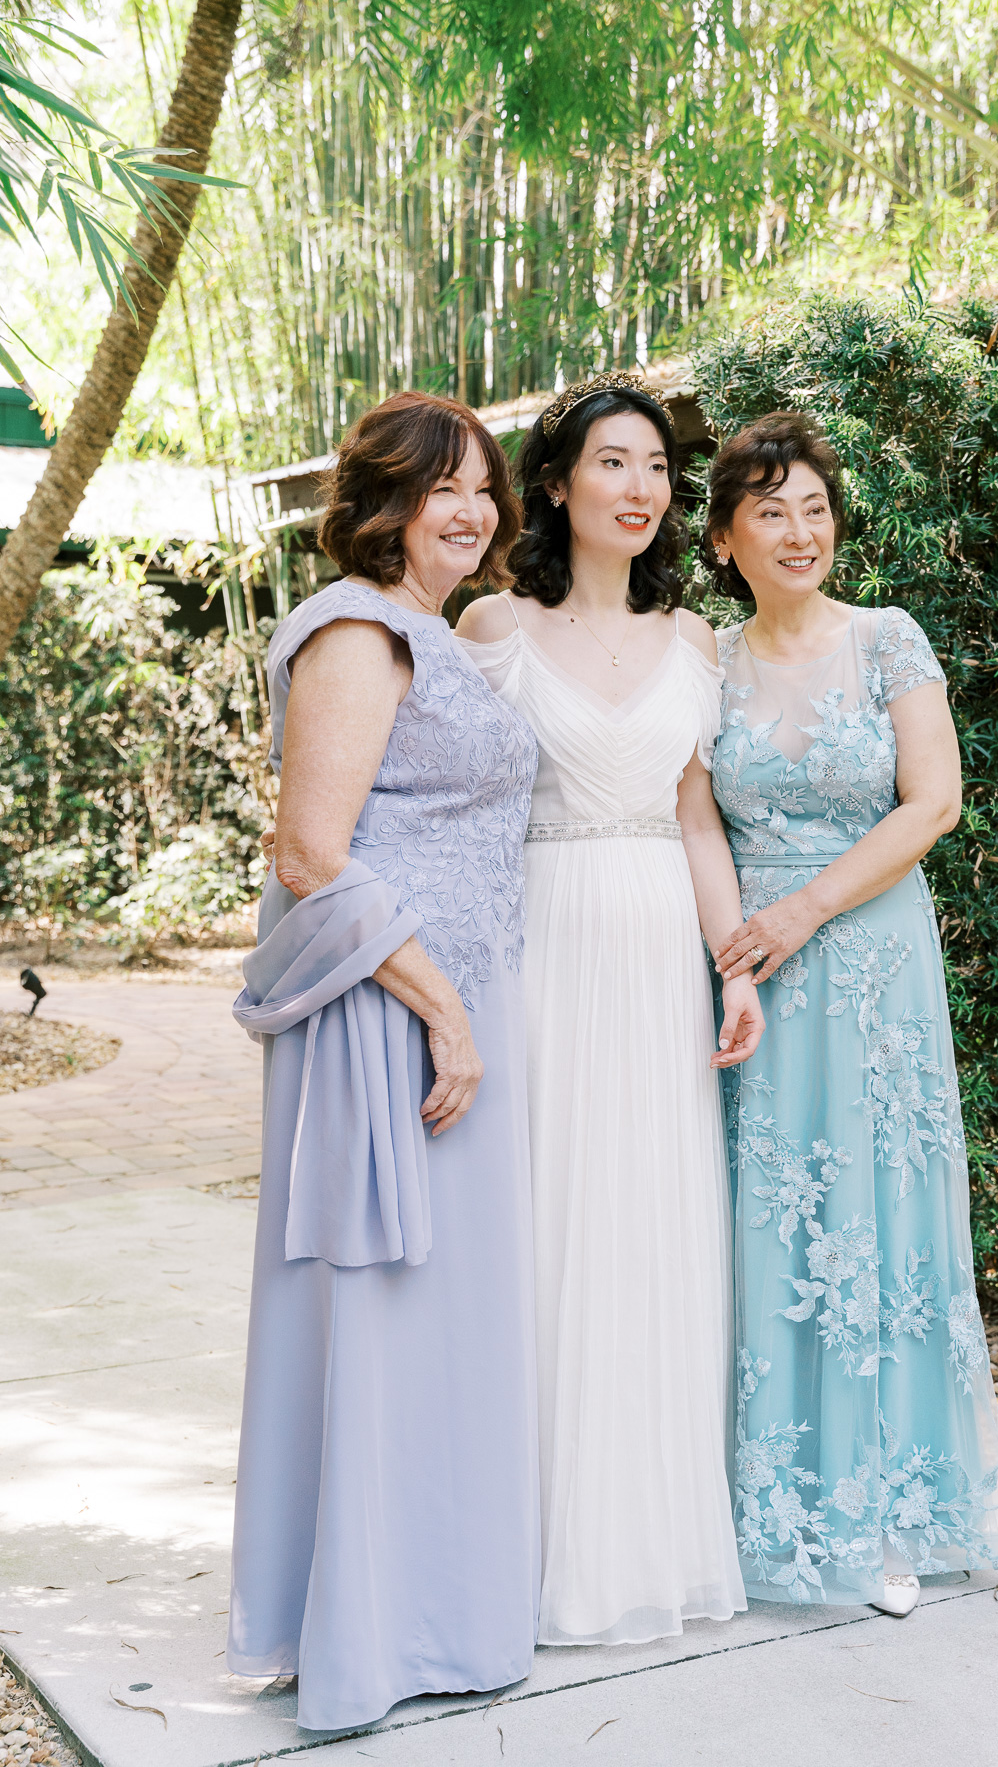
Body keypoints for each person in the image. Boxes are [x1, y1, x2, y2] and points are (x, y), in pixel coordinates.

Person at [227, 392, 541, 1730]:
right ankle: (370, 1633)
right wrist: (444, 1010)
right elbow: (310, 853)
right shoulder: (356, 631)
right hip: (384, 1013)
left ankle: (434, 1613)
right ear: (382, 504)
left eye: (480, 487)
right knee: (382, 1310)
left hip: (445, 1003)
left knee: (441, 1322)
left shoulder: (436, 628)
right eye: (438, 487)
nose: (466, 510)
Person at [705, 411, 998, 1618]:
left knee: (879, 1213)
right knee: (764, 1215)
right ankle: (760, 1502)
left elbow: (932, 803)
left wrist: (803, 910)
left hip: (870, 960)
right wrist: (737, 949)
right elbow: (692, 816)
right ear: (725, 538)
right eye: (771, 513)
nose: (800, 532)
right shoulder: (704, 658)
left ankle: (890, 1506)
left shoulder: (887, 637)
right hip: (750, 966)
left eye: (815, 508)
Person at [457, 370, 763, 1647]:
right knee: (549, 1217)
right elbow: (461, 807)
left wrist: (732, 964)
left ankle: (644, 1541)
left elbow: (695, 817)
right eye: (612, 464)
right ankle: (525, 1547)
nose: (639, 489)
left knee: (651, 1223)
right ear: (556, 483)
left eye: (655, 469)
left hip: (655, 949)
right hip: (542, 944)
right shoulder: (493, 626)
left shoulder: (693, 641)